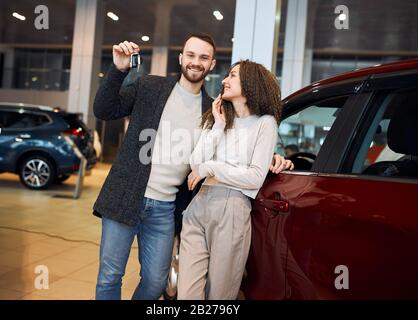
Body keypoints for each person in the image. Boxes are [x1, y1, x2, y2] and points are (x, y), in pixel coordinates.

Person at [93, 33, 293, 300]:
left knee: (155, 283)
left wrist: (269, 156)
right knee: (110, 277)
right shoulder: (150, 87)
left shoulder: (214, 110)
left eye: (203, 57)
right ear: (180, 58)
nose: (195, 62)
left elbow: (236, 143)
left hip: (165, 208)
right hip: (126, 195)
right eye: (190, 55)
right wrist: (118, 70)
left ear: (211, 65)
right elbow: (104, 109)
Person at [177, 60, 282, 300]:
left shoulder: (265, 123)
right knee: (187, 295)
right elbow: (195, 163)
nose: (224, 80)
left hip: (231, 207)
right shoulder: (220, 118)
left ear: (251, 83)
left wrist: (211, 167)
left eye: (232, 75)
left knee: (220, 296)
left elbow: (255, 177)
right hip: (199, 204)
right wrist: (218, 126)